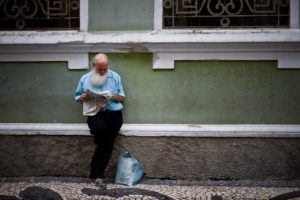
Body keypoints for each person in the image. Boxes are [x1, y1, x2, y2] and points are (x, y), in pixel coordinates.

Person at [75, 53, 125, 187]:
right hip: (94, 114)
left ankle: (98, 175)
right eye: (100, 68)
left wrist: (113, 96)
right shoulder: (85, 78)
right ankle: (98, 137)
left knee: (107, 145)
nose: (103, 71)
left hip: (114, 114)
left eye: (105, 68)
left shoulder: (115, 77)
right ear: (94, 66)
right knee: (100, 131)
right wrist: (83, 97)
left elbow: (122, 98)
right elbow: (77, 97)